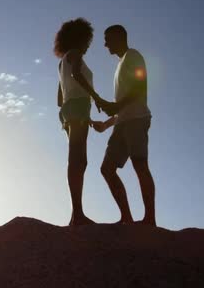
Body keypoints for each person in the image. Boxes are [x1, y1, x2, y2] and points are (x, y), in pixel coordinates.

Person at [91, 25, 157, 226]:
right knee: (107, 169)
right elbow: (121, 106)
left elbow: (140, 86)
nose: (105, 44)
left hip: (137, 119)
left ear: (119, 37)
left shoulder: (133, 56)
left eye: (107, 39)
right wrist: (106, 124)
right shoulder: (121, 63)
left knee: (140, 165)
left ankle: (149, 219)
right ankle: (127, 218)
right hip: (123, 123)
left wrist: (115, 105)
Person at [54, 18, 108, 226]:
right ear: (80, 39)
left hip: (72, 111)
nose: (88, 45)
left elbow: (60, 99)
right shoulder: (75, 55)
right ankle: (77, 215)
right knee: (78, 160)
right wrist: (96, 97)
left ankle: (77, 213)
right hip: (77, 108)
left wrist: (87, 118)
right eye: (87, 41)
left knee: (79, 159)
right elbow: (77, 74)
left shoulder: (62, 62)